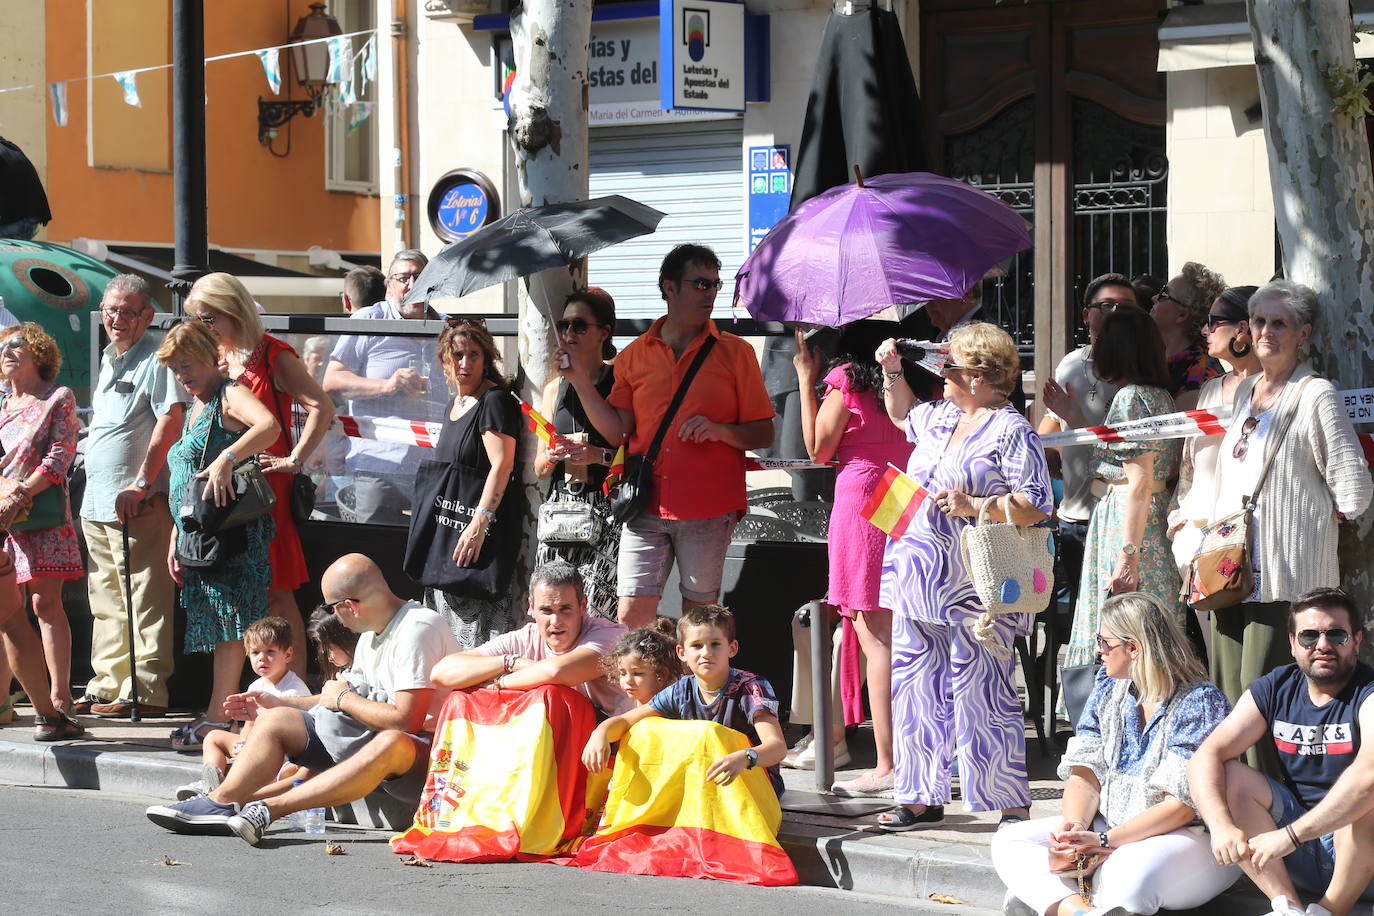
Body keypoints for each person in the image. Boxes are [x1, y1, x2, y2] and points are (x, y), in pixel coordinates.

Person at [145, 553, 459, 846]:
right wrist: (277, 704)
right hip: (365, 737)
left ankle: (268, 809)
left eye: (331, 607)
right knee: (277, 720)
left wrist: (345, 699)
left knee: (390, 741)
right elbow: (333, 699)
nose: (332, 615)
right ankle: (220, 802)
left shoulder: (417, 628)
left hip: (426, 757)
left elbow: (406, 721)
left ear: (350, 605)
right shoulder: (370, 635)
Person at [873, 322, 1052, 830]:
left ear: (977, 376)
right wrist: (892, 372)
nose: (939, 374)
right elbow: (902, 413)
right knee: (914, 685)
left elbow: (1037, 503)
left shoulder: (1011, 429)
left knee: (984, 689)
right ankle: (917, 795)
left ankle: (1009, 802)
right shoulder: (941, 415)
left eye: (947, 366)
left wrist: (979, 504)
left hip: (977, 580)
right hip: (916, 567)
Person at [994, 592, 1237, 916]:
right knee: (1010, 841)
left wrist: (1105, 842)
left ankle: (1056, 900)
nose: (1098, 650)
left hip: (1190, 836)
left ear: (1133, 648)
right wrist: (1076, 827)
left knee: (1127, 878)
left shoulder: (1199, 702)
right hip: (1111, 827)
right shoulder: (1109, 687)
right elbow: (1085, 771)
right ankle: (1079, 911)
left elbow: (1179, 807)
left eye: (1104, 641)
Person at [1205, 281, 1372, 750]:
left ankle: (1273, 810)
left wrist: (1323, 515)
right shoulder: (1245, 393)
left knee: (1263, 704)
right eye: (1259, 322)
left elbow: (1355, 488)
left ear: (1304, 333)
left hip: (1284, 577)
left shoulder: (1315, 393)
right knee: (1227, 698)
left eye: (1279, 323)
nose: (1266, 332)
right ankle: (1235, 804)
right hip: (1227, 569)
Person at [578, 244, 774, 629]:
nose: (710, 294)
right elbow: (619, 431)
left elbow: (764, 432)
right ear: (669, 288)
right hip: (644, 502)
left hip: (708, 505)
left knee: (699, 623)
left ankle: (692, 690)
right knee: (631, 618)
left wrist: (720, 430)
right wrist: (579, 382)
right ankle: (643, 691)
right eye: (701, 284)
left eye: (716, 285)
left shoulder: (736, 353)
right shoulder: (634, 355)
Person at [1189, 587, 1374, 916]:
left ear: (1356, 641)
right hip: (1297, 850)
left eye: (1336, 634)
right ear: (1292, 643)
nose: (1322, 645)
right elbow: (1207, 756)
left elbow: (1368, 777)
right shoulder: (1276, 686)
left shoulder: (1368, 692)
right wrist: (1220, 826)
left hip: (1361, 860)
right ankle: (1286, 908)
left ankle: (1328, 912)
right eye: (1309, 636)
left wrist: (1291, 835)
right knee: (1229, 775)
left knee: (1365, 800)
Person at [185, 273, 335, 676]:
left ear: (232, 310)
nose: (203, 328)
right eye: (198, 320)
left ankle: (294, 691)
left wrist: (295, 458)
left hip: (263, 490)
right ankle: (253, 695)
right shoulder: (217, 359)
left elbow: (321, 405)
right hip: (223, 492)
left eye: (208, 319)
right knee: (242, 595)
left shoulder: (272, 354)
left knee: (275, 594)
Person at [790, 322, 914, 796]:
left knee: (874, 635)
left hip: (863, 495)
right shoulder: (914, 381)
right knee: (905, 631)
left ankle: (888, 762)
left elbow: (818, 448)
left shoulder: (847, 379)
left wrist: (805, 378)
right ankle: (906, 752)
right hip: (904, 491)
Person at [158, 320, 281, 747]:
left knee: (230, 625)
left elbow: (268, 426)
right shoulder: (196, 404)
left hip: (231, 536)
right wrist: (177, 533)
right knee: (220, 624)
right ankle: (219, 713)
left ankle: (219, 717)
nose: (182, 375)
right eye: (175, 369)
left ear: (212, 357)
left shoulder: (230, 392)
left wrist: (228, 456)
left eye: (187, 365)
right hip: (201, 534)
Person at [73, 275, 188, 718]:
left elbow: (170, 420)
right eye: (110, 309)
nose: (115, 318)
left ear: (147, 317)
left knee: (145, 595)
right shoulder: (108, 358)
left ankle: (145, 689)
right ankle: (107, 684)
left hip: (137, 502)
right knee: (104, 599)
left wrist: (142, 482)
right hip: (98, 501)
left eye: (126, 311)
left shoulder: (156, 358)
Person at [1061, 308, 1184, 678]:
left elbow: (1137, 479)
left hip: (1128, 521)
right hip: (1147, 516)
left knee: (1122, 625)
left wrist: (1128, 555)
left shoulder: (1130, 398)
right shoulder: (1158, 396)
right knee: (1146, 629)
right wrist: (1076, 417)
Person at [583, 604, 787, 797]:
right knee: (645, 728)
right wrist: (600, 733)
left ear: (732, 648)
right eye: (697, 646)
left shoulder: (750, 687)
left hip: (754, 786)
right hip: (704, 784)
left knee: (708, 733)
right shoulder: (681, 690)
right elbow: (627, 721)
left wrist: (745, 757)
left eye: (715, 644)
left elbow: (777, 747)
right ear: (682, 652)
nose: (706, 653)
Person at [1037, 274, 1135, 633]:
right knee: (1084, 625)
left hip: (1123, 519)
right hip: (1075, 516)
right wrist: (1043, 452)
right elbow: (1051, 422)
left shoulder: (1142, 373)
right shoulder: (1071, 365)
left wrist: (1077, 420)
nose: (1115, 313)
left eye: (1125, 307)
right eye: (1105, 306)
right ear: (1085, 315)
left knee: (1120, 624)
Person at [1168, 284, 1262, 659]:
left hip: (1254, 542)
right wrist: (1179, 518)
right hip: (1200, 544)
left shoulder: (1275, 389)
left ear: (1242, 329)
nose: (1205, 330)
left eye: (1213, 322)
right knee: (1219, 656)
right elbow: (1190, 459)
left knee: (1258, 657)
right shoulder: (1208, 389)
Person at [324, 250, 448, 526]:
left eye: (420, 277)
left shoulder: (448, 327)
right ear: (389, 284)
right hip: (379, 464)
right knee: (375, 550)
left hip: (434, 465)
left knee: (429, 553)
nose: (413, 285)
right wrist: (387, 385)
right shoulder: (370, 320)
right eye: (404, 278)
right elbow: (332, 381)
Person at [421, 317, 522, 648]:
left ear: (487, 357)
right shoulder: (455, 403)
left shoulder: (495, 400)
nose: (465, 364)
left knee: (480, 643)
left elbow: (502, 465)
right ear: (444, 359)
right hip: (449, 532)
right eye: (457, 355)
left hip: (480, 537)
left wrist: (479, 522)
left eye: (474, 355)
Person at [0, 322, 82, 716]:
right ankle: (2, 701)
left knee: (44, 604)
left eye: (17, 345)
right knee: (4, 612)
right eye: (3, 346)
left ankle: (60, 697)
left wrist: (19, 494)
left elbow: (60, 456)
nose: (8, 351)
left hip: (41, 515)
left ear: (39, 353)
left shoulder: (58, 398)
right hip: (1, 520)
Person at [428, 560, 630, 716]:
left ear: (583, 605)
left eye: (565, 609)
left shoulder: (610, 636)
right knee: (460, 699)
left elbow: (556, 672)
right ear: (531, 607)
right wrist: (508, 662)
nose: (556, 621)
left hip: (610, 744)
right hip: (550, 745)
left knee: (549, 695)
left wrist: (498, 685)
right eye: (546, 610)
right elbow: (441, 672)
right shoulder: (525, 637)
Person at [534, 288, 622, 620]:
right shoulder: (554, 388)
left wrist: (597, 455)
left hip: (606, 511)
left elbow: (631, 452)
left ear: (604, 332)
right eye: (565, 324)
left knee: (598, 617)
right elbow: (539, 468)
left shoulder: (619, 381)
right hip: (560, 511)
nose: (569, 333)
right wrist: (553, 456)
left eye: (580, 325)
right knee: (555, 613)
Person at [175, 616, 311, 801]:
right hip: (255, 748)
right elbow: (249, 722)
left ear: (287, 655)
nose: (262, 658)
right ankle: (212, 780)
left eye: (270, 651)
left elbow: (294, 737)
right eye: (255, 653)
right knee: (214, 737)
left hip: (280, 753)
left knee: (290, 770)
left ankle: (239, 788)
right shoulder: (256, 686)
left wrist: (252, 748)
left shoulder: (294, 691)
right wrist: (244, 742)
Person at [1150, 262, 1227, 410]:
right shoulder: (1161, 359)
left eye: (1164, 294)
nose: (1154, 298)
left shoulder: (1197, 378)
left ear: (1182, 314)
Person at [605, 626, 682, 706]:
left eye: (637, 673)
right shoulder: (623, 707)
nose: (628, 680)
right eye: (623, 673)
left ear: (662, 674)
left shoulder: (675, 709)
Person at [308, 603, 359, 681]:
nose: (329, 659)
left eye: (329, 648)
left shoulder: (366, 674)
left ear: (345, 640)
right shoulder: (345, 674)